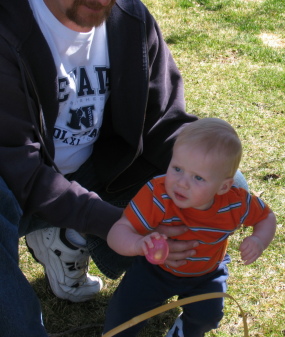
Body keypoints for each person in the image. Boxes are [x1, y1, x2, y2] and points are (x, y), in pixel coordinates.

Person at [0, 0, 216, 335]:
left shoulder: (129, 19)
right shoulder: (7, 26)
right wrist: (119, 223)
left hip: (96, 175)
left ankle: (69, 236)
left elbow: (161, 122)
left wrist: (206, 165)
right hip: (14, 189)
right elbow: (18, 166)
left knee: (218, 185)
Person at [103, 118, 277, 337]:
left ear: (223, 186)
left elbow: (266, 217)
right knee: (124, 312)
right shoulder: (157, 195)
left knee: (208, 315)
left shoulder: (237, 203)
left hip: (207, 273)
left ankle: (184, 331)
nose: (182, 182)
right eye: (177, 168)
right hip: (154, 270)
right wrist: (138, 244)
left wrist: (259, 239)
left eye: (198, 177)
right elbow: (118, 232)